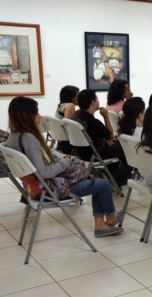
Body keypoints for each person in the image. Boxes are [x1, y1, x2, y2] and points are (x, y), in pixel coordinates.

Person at [6, 96, 123, 237]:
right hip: (50, 190)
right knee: (103, 185)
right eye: (36, 113)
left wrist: (56, 159)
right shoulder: (29, 138)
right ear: (26, 116)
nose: (40, 117)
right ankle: (109, 218)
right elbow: (43, 173)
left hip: (34, 189)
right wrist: (64, 163)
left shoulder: (14, 136)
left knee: (95, 181)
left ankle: (103, 223)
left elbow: (38, 165)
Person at [72, 89, 132, 186]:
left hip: (81, 152)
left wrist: (104, 138)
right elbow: (111, 135)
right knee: (128, 147)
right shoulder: (93, 122)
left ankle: (112, 175)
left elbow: (101, 135)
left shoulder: (77, 114)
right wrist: (106, 117)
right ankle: (119, 179)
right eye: (97, 99)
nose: (98, 101)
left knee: (116, 144)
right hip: (95, 153)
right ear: (92, 102)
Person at [54, 85, 79, 154]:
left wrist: (51, 146)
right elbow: (67, 126)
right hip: (68, 146)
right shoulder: (70, 106)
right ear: (71, 97)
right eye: (78, 96)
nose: (80, 98)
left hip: (61, 144)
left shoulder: (61, 105)